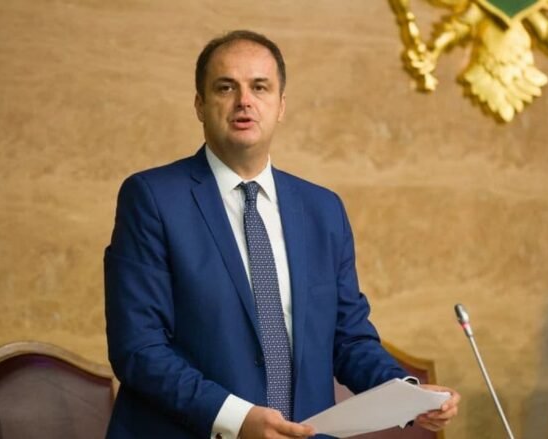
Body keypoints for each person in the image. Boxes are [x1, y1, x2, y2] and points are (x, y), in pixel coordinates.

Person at [104, 29, 460, 439]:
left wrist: (408, 397)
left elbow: (348, 338)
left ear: (280, 106)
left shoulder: (322, 210)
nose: (244, 101)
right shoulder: (152, 198)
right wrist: (237, 419)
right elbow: (139, 348)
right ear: (200, 105)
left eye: (260, 87)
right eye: (225, 87)